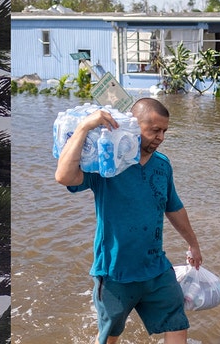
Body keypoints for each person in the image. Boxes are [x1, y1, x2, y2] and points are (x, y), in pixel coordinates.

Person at [55, 97, 203, 344]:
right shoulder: (108, 164)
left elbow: (173, 207)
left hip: (156, 268)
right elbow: (64, 176)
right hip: (115, 273)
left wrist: (193, 244)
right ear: (133, 126)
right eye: (155, 130)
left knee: (177, 321)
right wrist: (84, 127)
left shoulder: (162, 165)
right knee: (110, 335)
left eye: (164, 131)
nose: (161, 137)